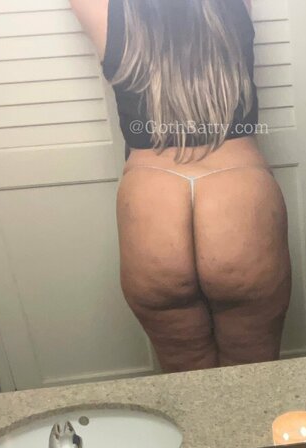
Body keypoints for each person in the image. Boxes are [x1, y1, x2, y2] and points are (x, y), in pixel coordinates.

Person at [71, 0, 292, 373]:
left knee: (187, 388)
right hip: (239, 199)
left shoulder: (98, 8)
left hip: (152, 205)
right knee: (255, 384)